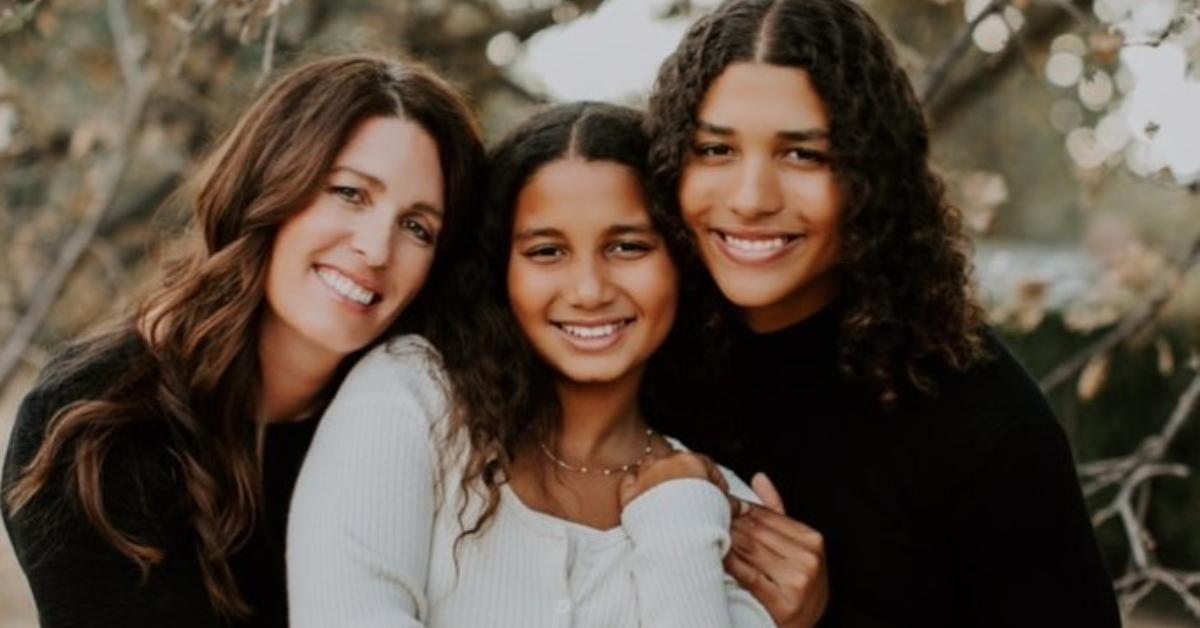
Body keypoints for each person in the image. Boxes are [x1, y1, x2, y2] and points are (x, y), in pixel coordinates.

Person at [643, 1, 1122, 626]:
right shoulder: (640, 362)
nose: (752, 198)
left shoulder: (986, 428)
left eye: (803, 155)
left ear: (872, 173)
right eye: (715, 150)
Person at [2, 53, 485, 628]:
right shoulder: (92, 418)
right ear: (270, 183)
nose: (377, 248)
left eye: (417, 227)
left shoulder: (427, 424)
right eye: (350, 193)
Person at [287, 102, 773, 627]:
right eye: (546, 251)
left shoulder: (719, 507)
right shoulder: (411, 397)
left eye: (628, 246)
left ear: (680, 261)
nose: (589, 291)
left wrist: (677, 524)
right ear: (502, 271)